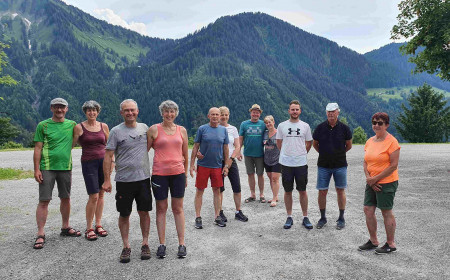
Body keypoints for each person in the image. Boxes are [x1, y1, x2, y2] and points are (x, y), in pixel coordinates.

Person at [102, 99, 152, 263]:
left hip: (143, 178)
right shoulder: (116, 132)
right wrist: (107, 180)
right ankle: (126, 246)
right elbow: (108, 156)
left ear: (137, 111)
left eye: (132, 110)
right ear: (121, 113)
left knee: (144, 212)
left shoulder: (145, 128)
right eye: (126, 110)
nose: (130, 113)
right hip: (124, 181)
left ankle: (145, 243)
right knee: (124, 213)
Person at [33, 98, 80, 249]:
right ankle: (40, 233)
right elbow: (38, 148)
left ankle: (65, 227)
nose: (59, 110)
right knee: (44, 200)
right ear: (51, 108)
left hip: (65, 167)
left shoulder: (72, 125)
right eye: (56, 107)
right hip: (47, 167)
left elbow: (77, 140)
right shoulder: (43, 125)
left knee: (65, 198)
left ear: (67, 109)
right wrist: (36, 169)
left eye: (62, 107)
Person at [147, 100, 188, 258]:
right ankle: (162, 244)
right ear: (162, 113)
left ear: (176, 113)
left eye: (172, 112)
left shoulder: (182, 130)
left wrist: (185, 174)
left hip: (177, 173)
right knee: (161, 209)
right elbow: (145, 151)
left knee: (178, 209)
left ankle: (181, 244)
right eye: (166, 111)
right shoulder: (154, 130)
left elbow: (185, 154)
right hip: (159, 174)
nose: (169, 114)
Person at [359, 112, 400, 254]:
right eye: (374, 122)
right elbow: (365, 161)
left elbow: (393, 166)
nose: (376, 125)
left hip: (387, 182)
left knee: (386, 211)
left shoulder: (392, 142)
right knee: (368, 210)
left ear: (386, 125)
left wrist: (374, 179)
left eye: (380, 123)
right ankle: (373, 241)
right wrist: (369, 179)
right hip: (371, 181)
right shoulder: (370, 141)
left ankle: (390, 243)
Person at [73, 101, 112, 241]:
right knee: (93, 196)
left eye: (94, 110)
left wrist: (112, 162)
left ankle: (98, 224)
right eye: (89, 110)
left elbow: (109, 145)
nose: (91, 113)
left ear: (98, 112)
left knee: (101, 194)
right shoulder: (79, 127)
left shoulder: (104, 126)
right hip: (89, 163)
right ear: (85, 112)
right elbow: (72, 144)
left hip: (104, 163)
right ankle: (89, 227)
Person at [312, 103, 352, 230]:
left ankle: (341, 218)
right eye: (328, 112)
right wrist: (325, 153)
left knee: (340, 190)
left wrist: (338, 154)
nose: (331, 114)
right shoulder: (320, 128)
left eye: (333, 111)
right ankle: (323, 218)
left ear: (338, 112)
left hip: (340, 165)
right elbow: (315, 144)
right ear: (326, 113)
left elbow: (349, 145)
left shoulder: (345, 128)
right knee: (322, 191)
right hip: (323, 165)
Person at [276, 100, 313, 230]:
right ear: (289, 111)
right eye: (292, 109)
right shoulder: (282, 126)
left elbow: (309, 142)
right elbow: (279, 142)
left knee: (302, 190)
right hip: (286, 163)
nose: (295, 112)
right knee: (288, 191)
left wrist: (301, 153)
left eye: (297, 109)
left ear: (300, 111)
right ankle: (289, 216)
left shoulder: (305, 126)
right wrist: (286, 153)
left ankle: (305, 217)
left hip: (301, 163)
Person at [190, 107, 229, 229]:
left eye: (217, 114)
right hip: (203, 165)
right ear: (208, 116)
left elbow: (226, 148)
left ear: (220, 116)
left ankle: (217, 216)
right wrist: (192, 164)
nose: (215, 117)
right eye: (213, 114)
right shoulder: (202, 129)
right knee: (200, 191)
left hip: (217, 166)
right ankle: (198, 217)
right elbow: (196, 146)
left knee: (217, 191)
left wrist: (226, 165)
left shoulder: (223, 130)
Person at [217, 106, 248, 222]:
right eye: (221, 114)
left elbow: (238, 146)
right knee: (220, 188)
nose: (224, 117)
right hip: (218, 161)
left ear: (229, 115)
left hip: (231, 160)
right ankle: (220, 212)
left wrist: (231, 159)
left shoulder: (233, 129)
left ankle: (238, 211)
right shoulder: (215, 128)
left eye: (226, 114)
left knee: (237, 186)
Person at [239, 104, 267, 203]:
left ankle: (262, 194)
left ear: (260, 114)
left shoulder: (263, 124)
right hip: (247, 154)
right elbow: (241, 138)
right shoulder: (244, 124)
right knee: (250, 174)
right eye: (254, 112)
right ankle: (253, 194)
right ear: (250, 112)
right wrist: (238, 151)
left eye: (257, 112)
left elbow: (269, 134)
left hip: (260, 154)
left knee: (260, 174)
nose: (255, 114)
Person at [263, 115, 281, 207]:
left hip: (277, 159)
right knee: (270, 178)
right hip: (267, 159)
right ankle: (276, 195)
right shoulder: (265, 133)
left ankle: (274, 198)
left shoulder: (279, 133)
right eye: (266, 123)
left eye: (270, 122)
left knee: (275, 178)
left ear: (273, 122)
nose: (268, 124)